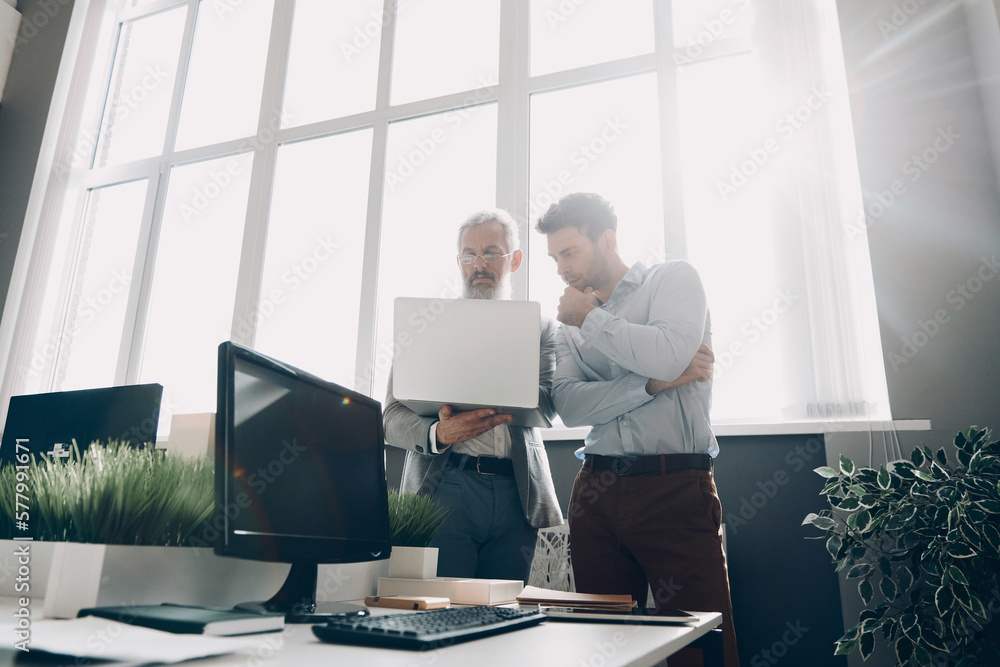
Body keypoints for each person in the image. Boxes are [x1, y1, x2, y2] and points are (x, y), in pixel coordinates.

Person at [536, 192, 738, 667]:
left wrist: (592, 319)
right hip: (595, 493)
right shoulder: (566, 324)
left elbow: (668, 352)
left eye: (570, 252)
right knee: (605, 649)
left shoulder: (673, 279)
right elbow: (569, 405)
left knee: (701, 650)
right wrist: (650, 383)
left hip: (675, 487)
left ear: (607, 240)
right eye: (554, 257)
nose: (561, 269)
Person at [382, 209, 563, 583]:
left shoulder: (541, 327)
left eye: (491, 252)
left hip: (518, 493)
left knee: (507, 620)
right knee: (437, 614)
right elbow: (391, 417)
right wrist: (438, 434)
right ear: (459, 261)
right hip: (445, 487)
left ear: (514, 259)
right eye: (469, 255)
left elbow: (548, 409)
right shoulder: (427, 324)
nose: (478, 264)